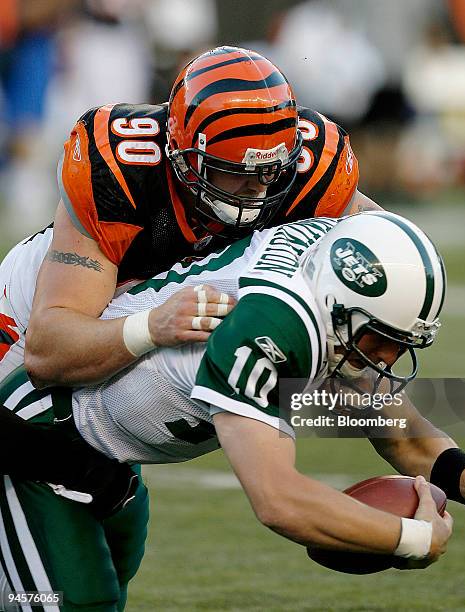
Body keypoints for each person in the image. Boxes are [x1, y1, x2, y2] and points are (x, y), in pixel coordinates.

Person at [1, 212, 465, 610]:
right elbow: (279, 500)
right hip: (40, 435)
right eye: (378, 338)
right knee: (77, 601)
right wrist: (413, 539)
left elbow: (389, 424)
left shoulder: (324, 290)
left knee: (106, 588)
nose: (385, 359)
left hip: (106, 455)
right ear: (338, 303)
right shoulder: (272, 323)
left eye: (398, 343)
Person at [0, 46, 374, 497]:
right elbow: (48, 349)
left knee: (120, 523)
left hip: (141, 337)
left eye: (271, 172)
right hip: (31, 324)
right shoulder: (122, 166)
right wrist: (152, 326)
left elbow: (386, 251)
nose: (257, 190)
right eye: (232, 172)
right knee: (72, 490)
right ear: (180, 153)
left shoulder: (312, 173)